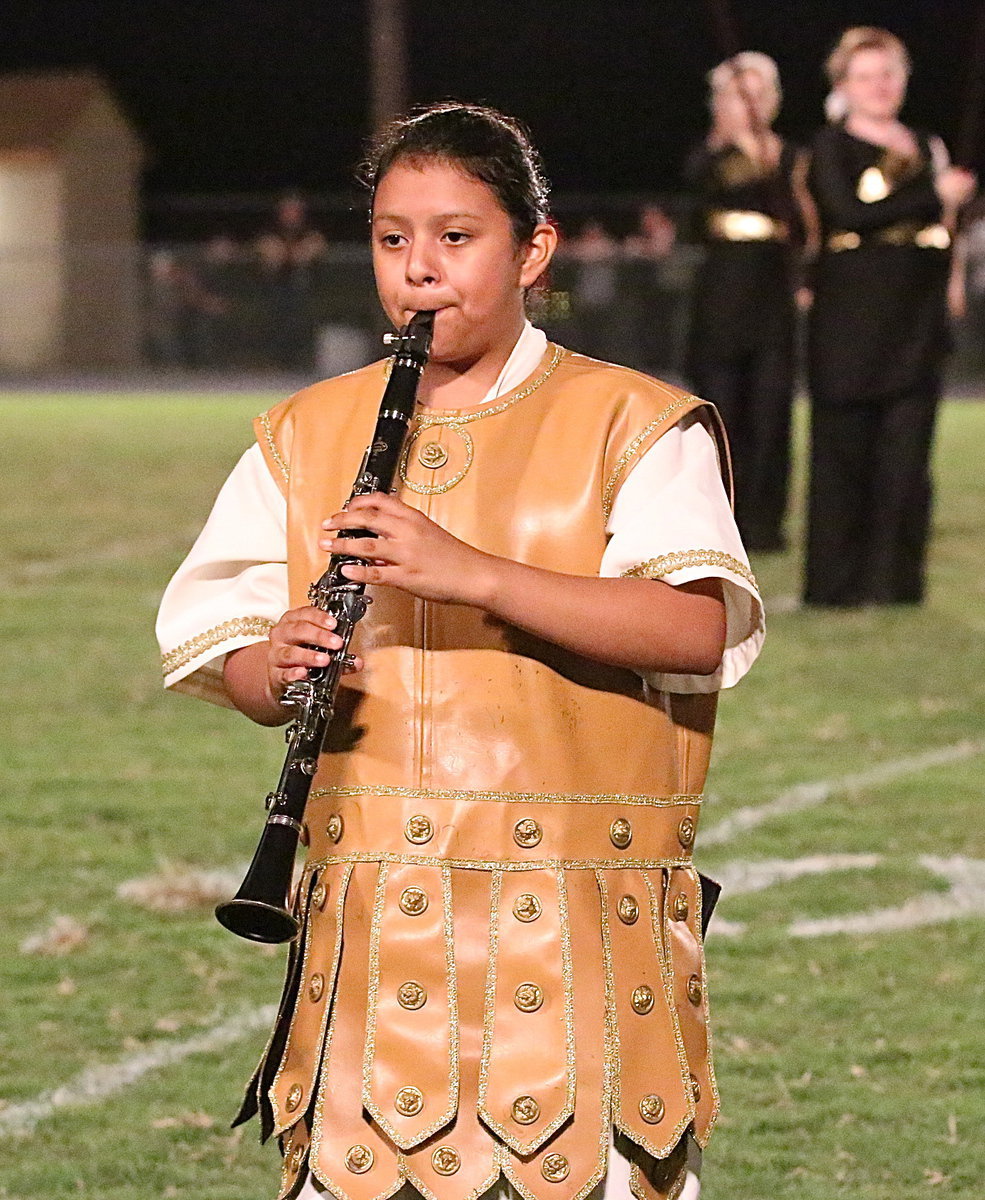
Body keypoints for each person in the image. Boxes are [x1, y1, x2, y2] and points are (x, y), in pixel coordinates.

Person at [156, 103, 763, 1200]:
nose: (417, 272)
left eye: (454, 237)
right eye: (392, 240)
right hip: (370, 938)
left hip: (576, 934)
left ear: (533, 248)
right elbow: (232, 659)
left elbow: (695, 628)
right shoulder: (305, 433)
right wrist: (274, 664)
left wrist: (471, 573)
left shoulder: (635, 421)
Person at [805, 27, 976, 605]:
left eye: (890, 73)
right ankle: (836, 585)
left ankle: (898, 584)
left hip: (918, 316)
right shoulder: (830, 147)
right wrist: (936, 192)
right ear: (843, 85)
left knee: (907, 457)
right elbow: (846, 210)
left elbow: (945, 232)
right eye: (866, 75)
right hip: (853, 317)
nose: (880, 86)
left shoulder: (926, 145)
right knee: (844, 453)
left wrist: (952, 282)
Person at [684, 52, 815, 554]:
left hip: (774, 300)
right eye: (740, 93)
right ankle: (722, 521)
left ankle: (767, 525)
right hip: (721, 298)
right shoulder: (711, 157)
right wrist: (734, 144)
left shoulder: (795, 158)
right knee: (721, 414)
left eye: (760, 93)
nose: (751, 102)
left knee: (771, 412)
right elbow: (698, 195)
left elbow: (807, 224)